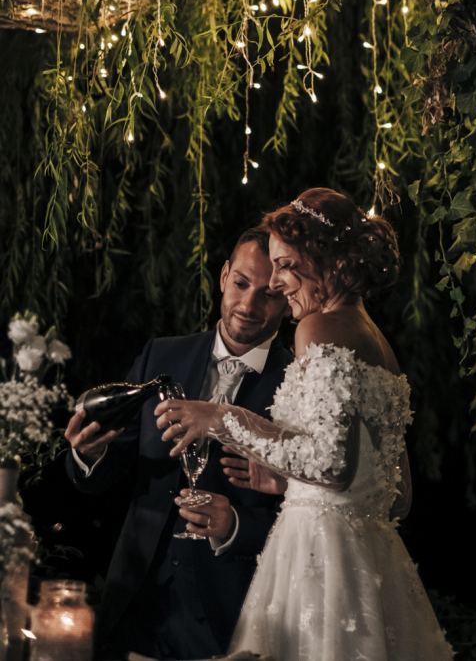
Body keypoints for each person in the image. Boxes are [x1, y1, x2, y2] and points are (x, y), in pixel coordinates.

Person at [155, 189, 454, 661]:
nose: (276, 282)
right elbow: (397, 496)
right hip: (370, 563)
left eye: (287, 265)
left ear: (330, 262)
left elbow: (331, 466)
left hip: (318, 560)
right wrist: (290, 482)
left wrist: (222, 417)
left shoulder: (318, 327)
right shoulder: (378, 342)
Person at [64, 228, 294, 661]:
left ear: (288, 299)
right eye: (241, 283)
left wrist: (238, 527)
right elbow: (107, 471)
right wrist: (88, 456)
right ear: (224, 276)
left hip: (234, 615)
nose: (247, 305)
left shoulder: (300, 384)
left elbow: (321, 514)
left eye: (268, 294)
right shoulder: (160, 357)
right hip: (136, 607)